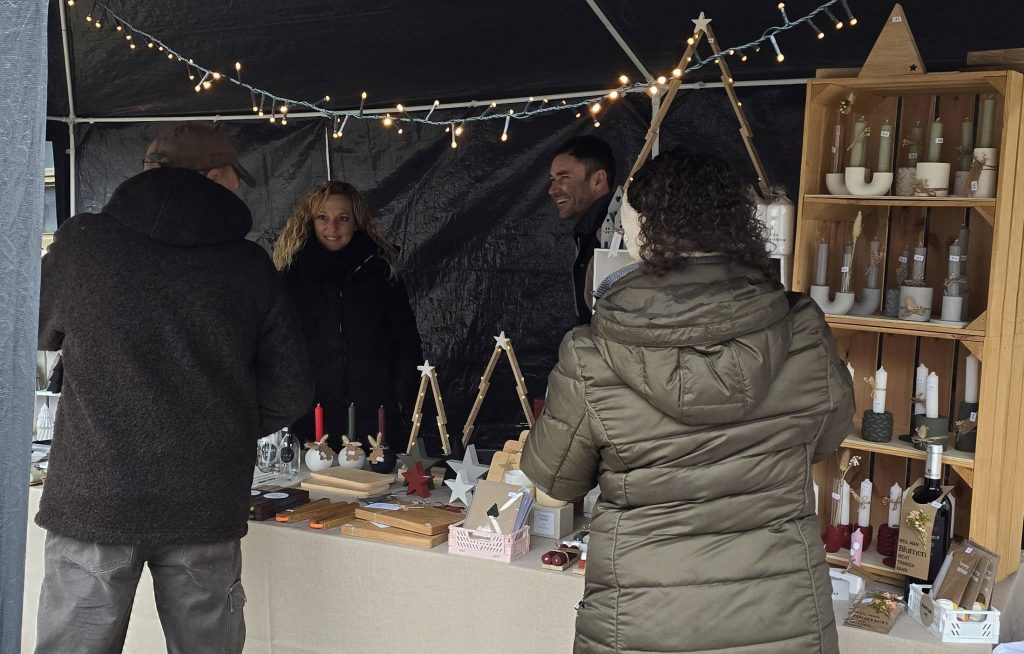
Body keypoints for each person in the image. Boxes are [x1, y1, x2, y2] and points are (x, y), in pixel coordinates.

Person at [522, 149, 855, 654]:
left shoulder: (590, 352)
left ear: (641, 231)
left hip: (641, 622)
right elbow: (827, 437)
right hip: (781, 617)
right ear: (738, 225)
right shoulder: (802, 328)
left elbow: (555, 482)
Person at [35, 122, 313, 654]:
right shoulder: (248, 266)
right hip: (203, 498)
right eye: (235, 176)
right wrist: (217, 423)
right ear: (214, 176)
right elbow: (291, 389)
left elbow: (32, 330)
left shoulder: (84, 244)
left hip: (96, 493)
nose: (239, 187)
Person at [273, 181, 423, 453]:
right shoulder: (291, 278)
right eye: (323, 217)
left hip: (374, 414)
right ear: (310, 222)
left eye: (343, 218)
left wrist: (400, 395)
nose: (332, 227)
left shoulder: (380, 273)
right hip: (310, 416)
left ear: (356, 223)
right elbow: (277, 345)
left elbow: (406, 340)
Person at [549, 135, 615, 324]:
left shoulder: (618, 231)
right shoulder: (590, 231)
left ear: (598, 180)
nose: (552, 190)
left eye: (564, 177)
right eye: (553, 179)